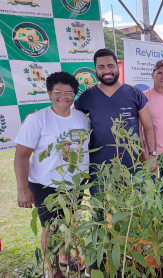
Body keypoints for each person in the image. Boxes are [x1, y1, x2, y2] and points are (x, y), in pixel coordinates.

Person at [14, 72, 89, 278]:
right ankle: (53, 271)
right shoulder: (37, 119)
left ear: (74, 95)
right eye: (58, 91)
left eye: (69, 92)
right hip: (47, 185)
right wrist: (22, 189)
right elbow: (21, 156)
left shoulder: (81, 118)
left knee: (69, 225)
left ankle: (65, 259)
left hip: (74, 185)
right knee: (51, 228)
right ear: (49, 93)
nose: (63, 96)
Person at [74, 48, 156, 195]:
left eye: (110, 65)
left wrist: (152, 155)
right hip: (99, 167)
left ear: (117, 66)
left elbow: (148, 126)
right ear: (96, 70)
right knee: (101, 211)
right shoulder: (88, 96)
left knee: (133, 212)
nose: (107, 70)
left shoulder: (134, 93)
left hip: (132, 166)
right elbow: (69, 119)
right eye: (101, 67)